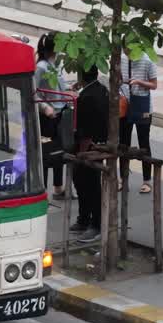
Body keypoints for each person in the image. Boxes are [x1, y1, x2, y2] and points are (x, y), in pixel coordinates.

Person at [71, 67, 108, 244]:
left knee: (87, 184)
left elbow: (85, 127)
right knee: (86, 182)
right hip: (99, 144)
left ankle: (94, 224)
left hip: (89, 147)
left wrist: (82, 152)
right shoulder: (101, 90)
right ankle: (84, 219)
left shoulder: (86, 97)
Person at [118, 52, 158, 194]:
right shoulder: (121, 58)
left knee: (144, 142)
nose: (126, 51)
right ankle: (123, 179)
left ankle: (147, 181)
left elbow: (154, 85)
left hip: (142, 105)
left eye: (128, 48)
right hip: (126, 105)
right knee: (123, 143)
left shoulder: (147, 60)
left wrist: (139, 82)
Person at [35, 34, 69, 196]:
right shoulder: (41, 67)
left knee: (58, 150)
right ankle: (44, 191)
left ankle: (58, 186)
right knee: (47, 153)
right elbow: (32, 92)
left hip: (60, 112)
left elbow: (59, 87)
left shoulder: (56, 64)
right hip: (48, 116)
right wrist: (44, 107)